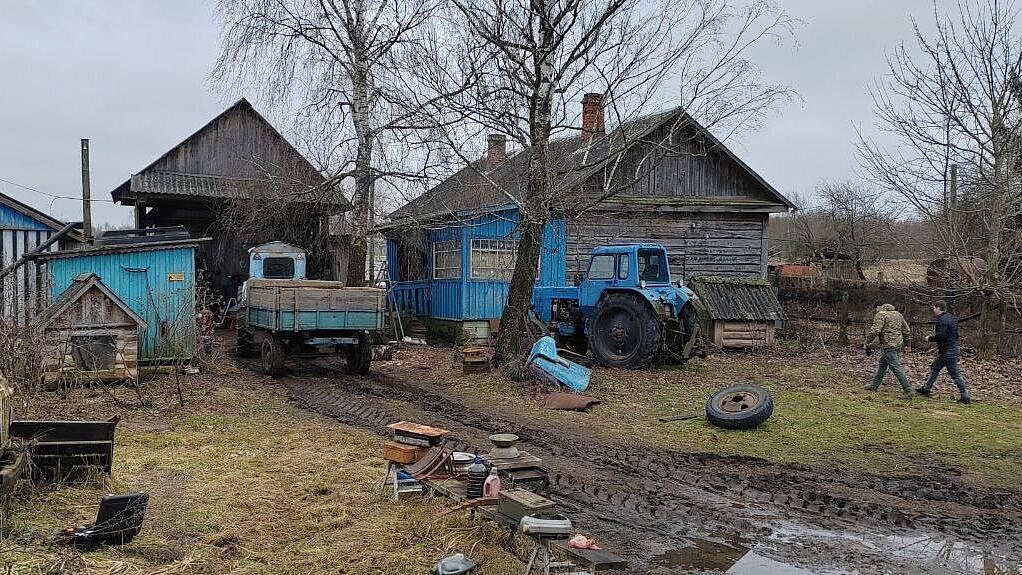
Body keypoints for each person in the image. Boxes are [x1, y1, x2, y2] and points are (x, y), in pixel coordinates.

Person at [915, 300, 970, 404]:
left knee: (955, 374)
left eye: (934, 308)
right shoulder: (951, 317)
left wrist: (929, 338)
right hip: (952, 348)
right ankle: (926, 388)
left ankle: (965, 395)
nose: (934, 310)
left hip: (947, 350)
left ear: (938, 308)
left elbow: (941, 336)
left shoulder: (942, 320)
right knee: (935, 367)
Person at [864, 301, 914, 399]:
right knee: (883, 364)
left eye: (876, 309)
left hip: (888, 345)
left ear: (879, 307)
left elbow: (875, 330)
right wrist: (908, 344)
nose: (876, 311)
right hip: (898, 344)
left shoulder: (881, 314)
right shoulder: (898, 314)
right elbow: (907, 330)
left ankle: (908, 390)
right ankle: (874, 385)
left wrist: (867, 342)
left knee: (895, 367)